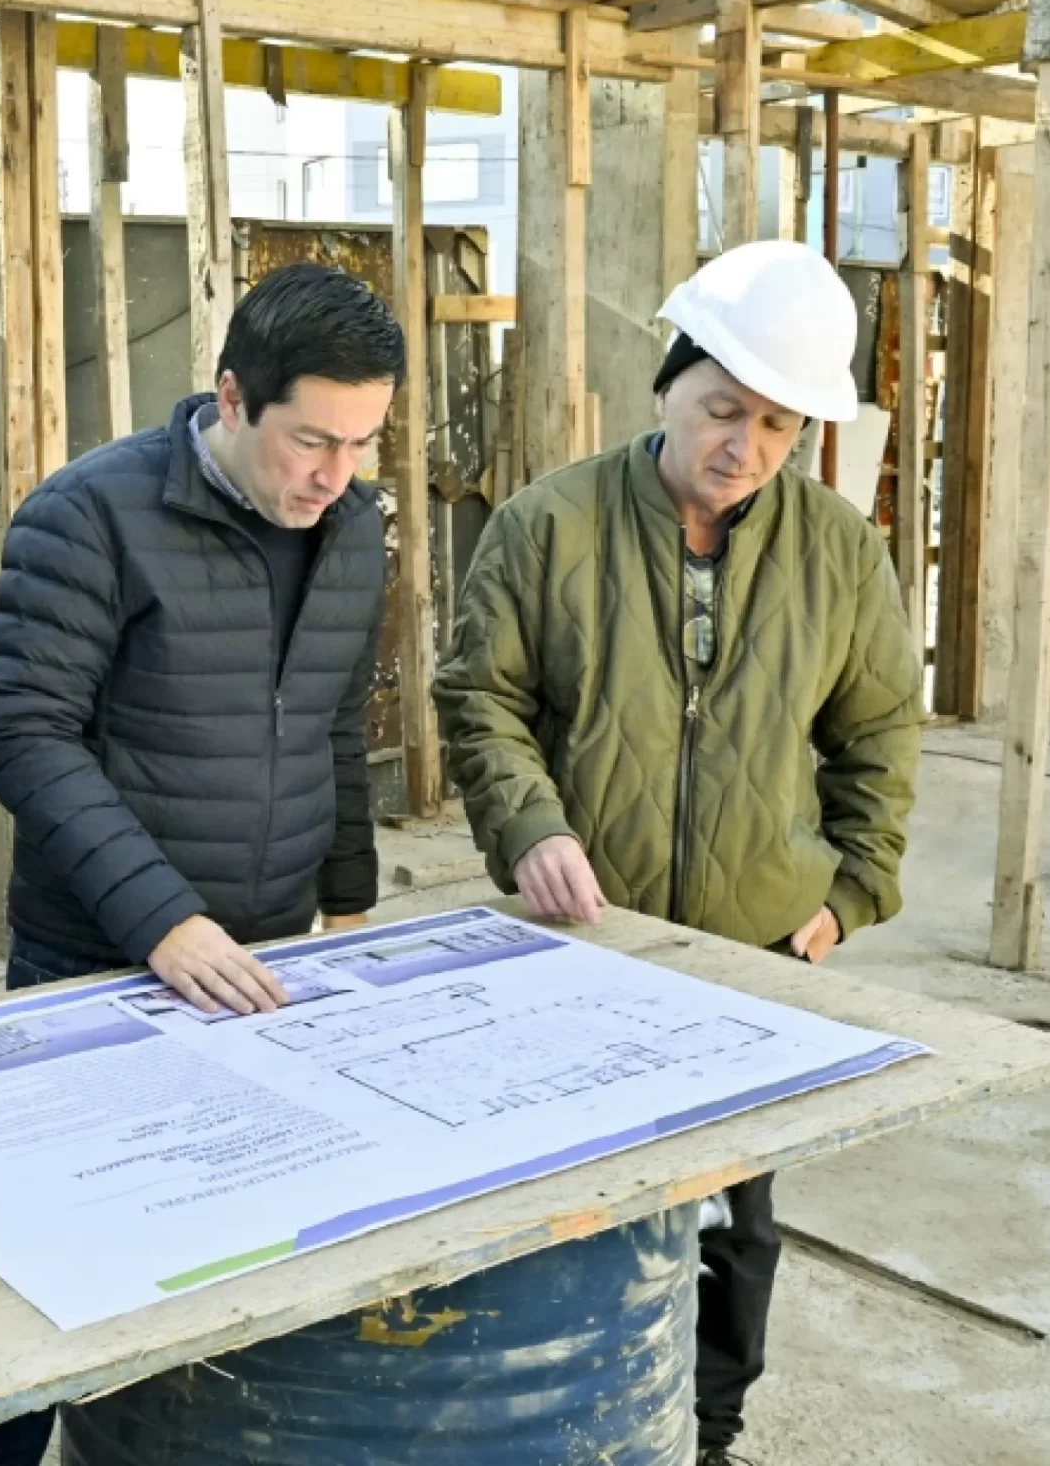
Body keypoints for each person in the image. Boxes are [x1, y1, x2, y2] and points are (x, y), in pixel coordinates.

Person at [433, 240, 920, 1466]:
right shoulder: (548, 524)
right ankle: (559, 1423)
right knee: (561, 1201)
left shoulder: (838, 551)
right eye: (720, 408)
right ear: (667, 385)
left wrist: (849, 889)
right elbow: (479, 696)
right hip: (585, 935)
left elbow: (877, 732)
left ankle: (707, 1434)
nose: (742, 445)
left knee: (734, 1223)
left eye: (775, 424)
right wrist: (533, 827)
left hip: (755, 947)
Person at [0, 261, 402, 1466]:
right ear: (232, 396)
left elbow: (333, 722)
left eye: (361, 442)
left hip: (263, 958)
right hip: (95, 955)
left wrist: (348, 902)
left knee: (222, 1258)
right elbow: (22, 733)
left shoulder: (348, 525)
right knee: (48, 1268)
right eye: (311, 439)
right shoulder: (89, 515)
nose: (335, 473)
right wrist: (160, 917)